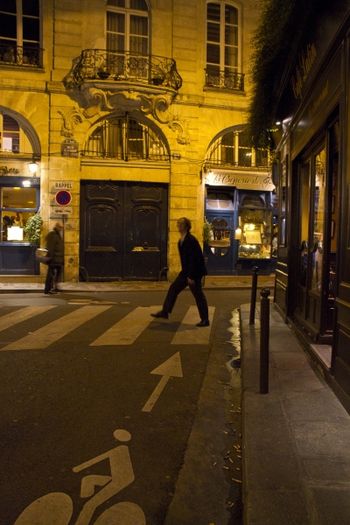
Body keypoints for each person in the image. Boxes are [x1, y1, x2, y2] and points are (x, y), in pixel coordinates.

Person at [152, 217, 209, 327]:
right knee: (173, 288)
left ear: (186, 226)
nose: (178, 225)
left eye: (180, 224)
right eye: (178, 223)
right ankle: (165, 311)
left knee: (198, 295)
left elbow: (195, 259)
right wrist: (186, 274)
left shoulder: (191, 240)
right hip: (186, 272)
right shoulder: (181, 240)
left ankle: (205, 320)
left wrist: (191, 276)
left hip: (194, 273)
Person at [44, 222, 64, 295]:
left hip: (58, 259)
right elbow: (51, 248)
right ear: (57, 227)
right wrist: (50, 258)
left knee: (57, 274)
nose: (61, 229)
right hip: (53, 259)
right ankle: (48, 289)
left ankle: (55, 287)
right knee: (50, 275)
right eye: (60, 227)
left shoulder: (57, 235)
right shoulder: (53, 235)